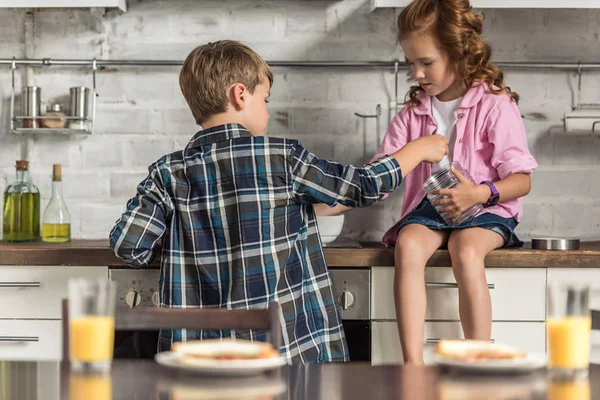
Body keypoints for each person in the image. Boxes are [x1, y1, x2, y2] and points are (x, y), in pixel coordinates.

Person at [109, 40, 448, 364]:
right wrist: (416, 149)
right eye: (266, 100)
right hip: (280, 358)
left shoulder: (167, 173)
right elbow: (362, 186)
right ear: (240, 95)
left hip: (199, 364)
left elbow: (129, 246)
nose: (268, 113)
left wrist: (190, 235)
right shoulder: (281, 159)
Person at [317, 0, 538, 365]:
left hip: (487, 207)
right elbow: (379, 177)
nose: (418, 73)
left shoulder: (495, 105)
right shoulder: (412, 114)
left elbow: (521, 180)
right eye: (411, 63)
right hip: (432, 209)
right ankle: (412, 366)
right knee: (407, 245)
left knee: (465, 252)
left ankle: (478, 360)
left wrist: (479, 193)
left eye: (426, 62)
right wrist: (327, 204)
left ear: (459, 52)